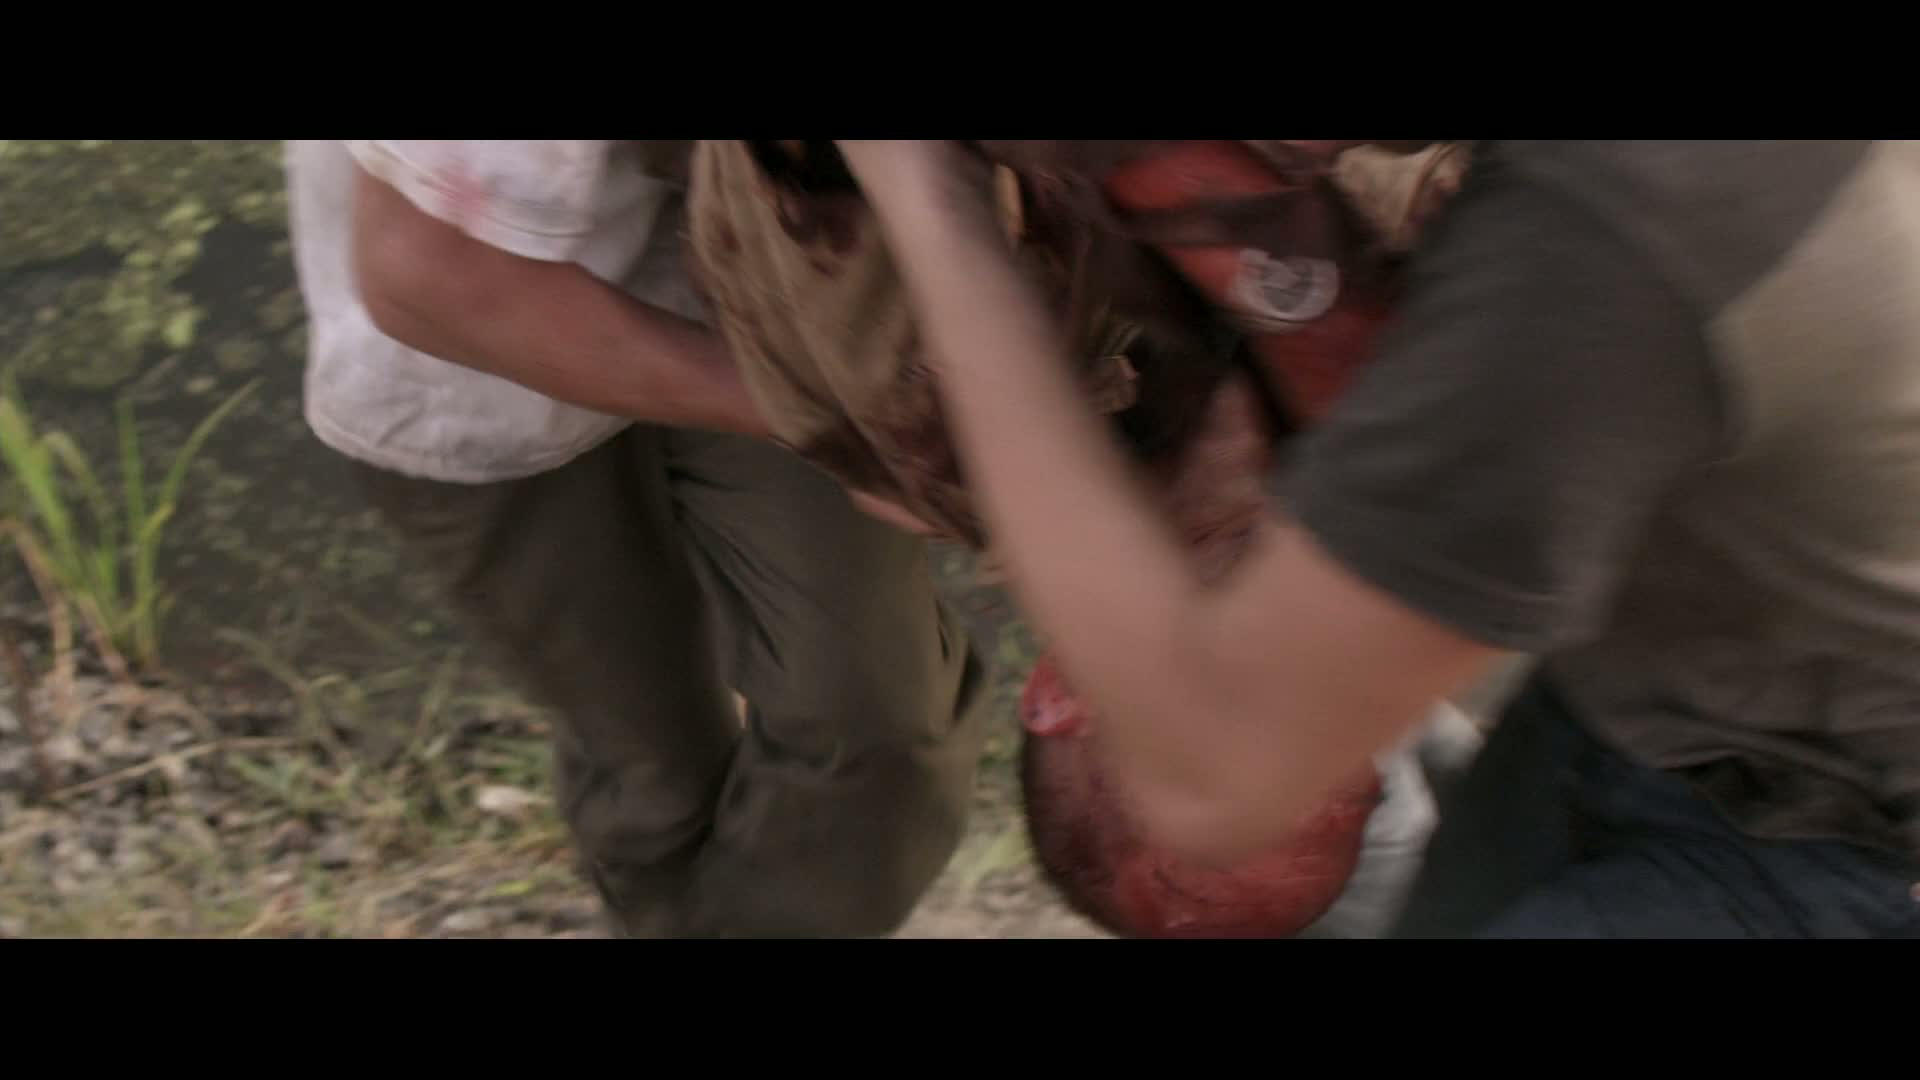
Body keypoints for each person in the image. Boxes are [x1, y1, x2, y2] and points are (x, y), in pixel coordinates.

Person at [837, 139, 1920, 938]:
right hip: (1693, 706)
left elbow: (1215, 776)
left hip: (1844, 828)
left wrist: (925, 193)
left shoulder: (1620, 243)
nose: (1349, 771)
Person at [284, 140, 986, 938]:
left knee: (882, 729)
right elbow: (428, 277)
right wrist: (832, 427)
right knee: (655, 778)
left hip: (777, 289)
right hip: (479, 371)